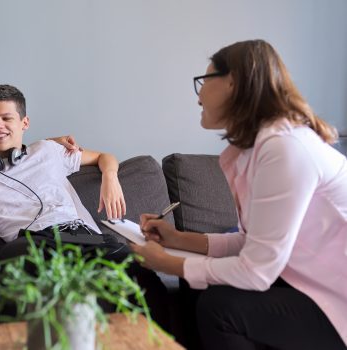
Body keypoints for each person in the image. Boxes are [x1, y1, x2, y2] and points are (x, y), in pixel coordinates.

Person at [130, 39, 347, 349]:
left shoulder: (285, 148)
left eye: (203, 82)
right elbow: (252, 242)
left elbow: (257, 270)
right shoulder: (254, 151)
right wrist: (177, 239)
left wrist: (166, 262)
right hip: (311, 284)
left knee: (221, 308)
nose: (199, 97)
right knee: (199, 288)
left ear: (231, 82)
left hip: (338, 298)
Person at [0, 84, 171, 328]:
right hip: (31, 245)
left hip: (82, 236)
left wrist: (110, 176)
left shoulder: (48, 150)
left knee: (144, 280)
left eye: (6, 118)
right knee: (11, 269)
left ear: (24, 123)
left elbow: (104, 157)